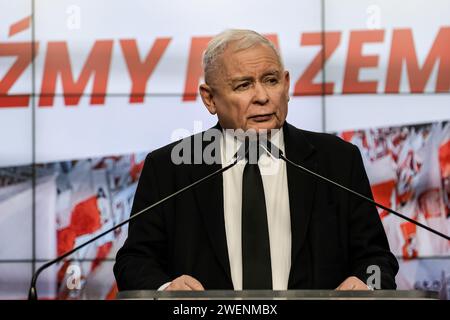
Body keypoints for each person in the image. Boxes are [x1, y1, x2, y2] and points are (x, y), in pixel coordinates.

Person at [114, 29, 398, 291]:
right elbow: (135, 262)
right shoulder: (170, 167)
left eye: (271, 80)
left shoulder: (337, 160)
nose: (262, 96)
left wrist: (367, 282)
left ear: (286, 85)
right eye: (243, 86)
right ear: (210, 99)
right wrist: (166, 289)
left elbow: (376, 259)